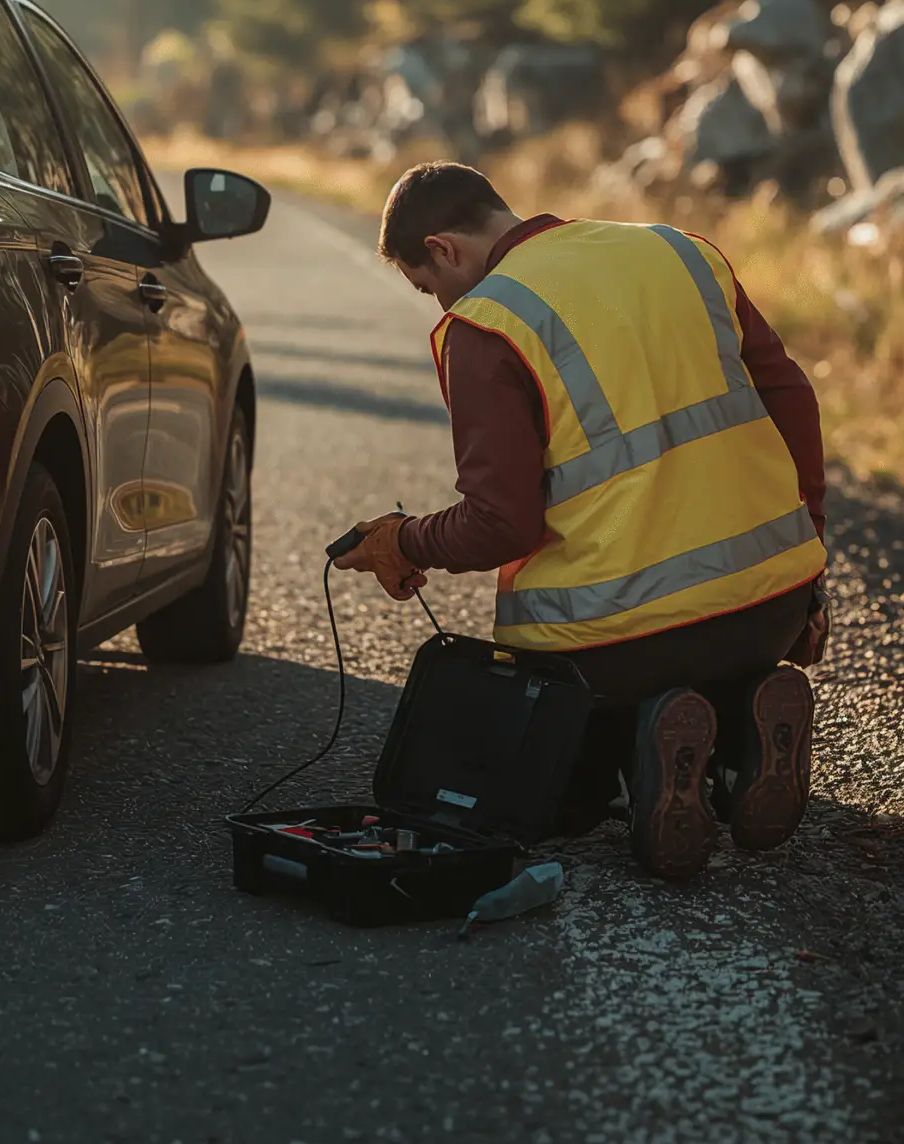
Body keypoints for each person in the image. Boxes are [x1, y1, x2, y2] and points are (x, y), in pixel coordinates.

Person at [335, 162, 829, 881]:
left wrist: (403, 540)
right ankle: (740, 728)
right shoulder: (679, 251)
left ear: (443, 249)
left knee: (546, 794)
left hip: (618, 643)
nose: (436, 302)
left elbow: (500, 525)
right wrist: (809, 554)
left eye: (426, 286)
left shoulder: (485, 325)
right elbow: (791, 395)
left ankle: (649, 751)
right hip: (772, 607)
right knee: (700, 658)